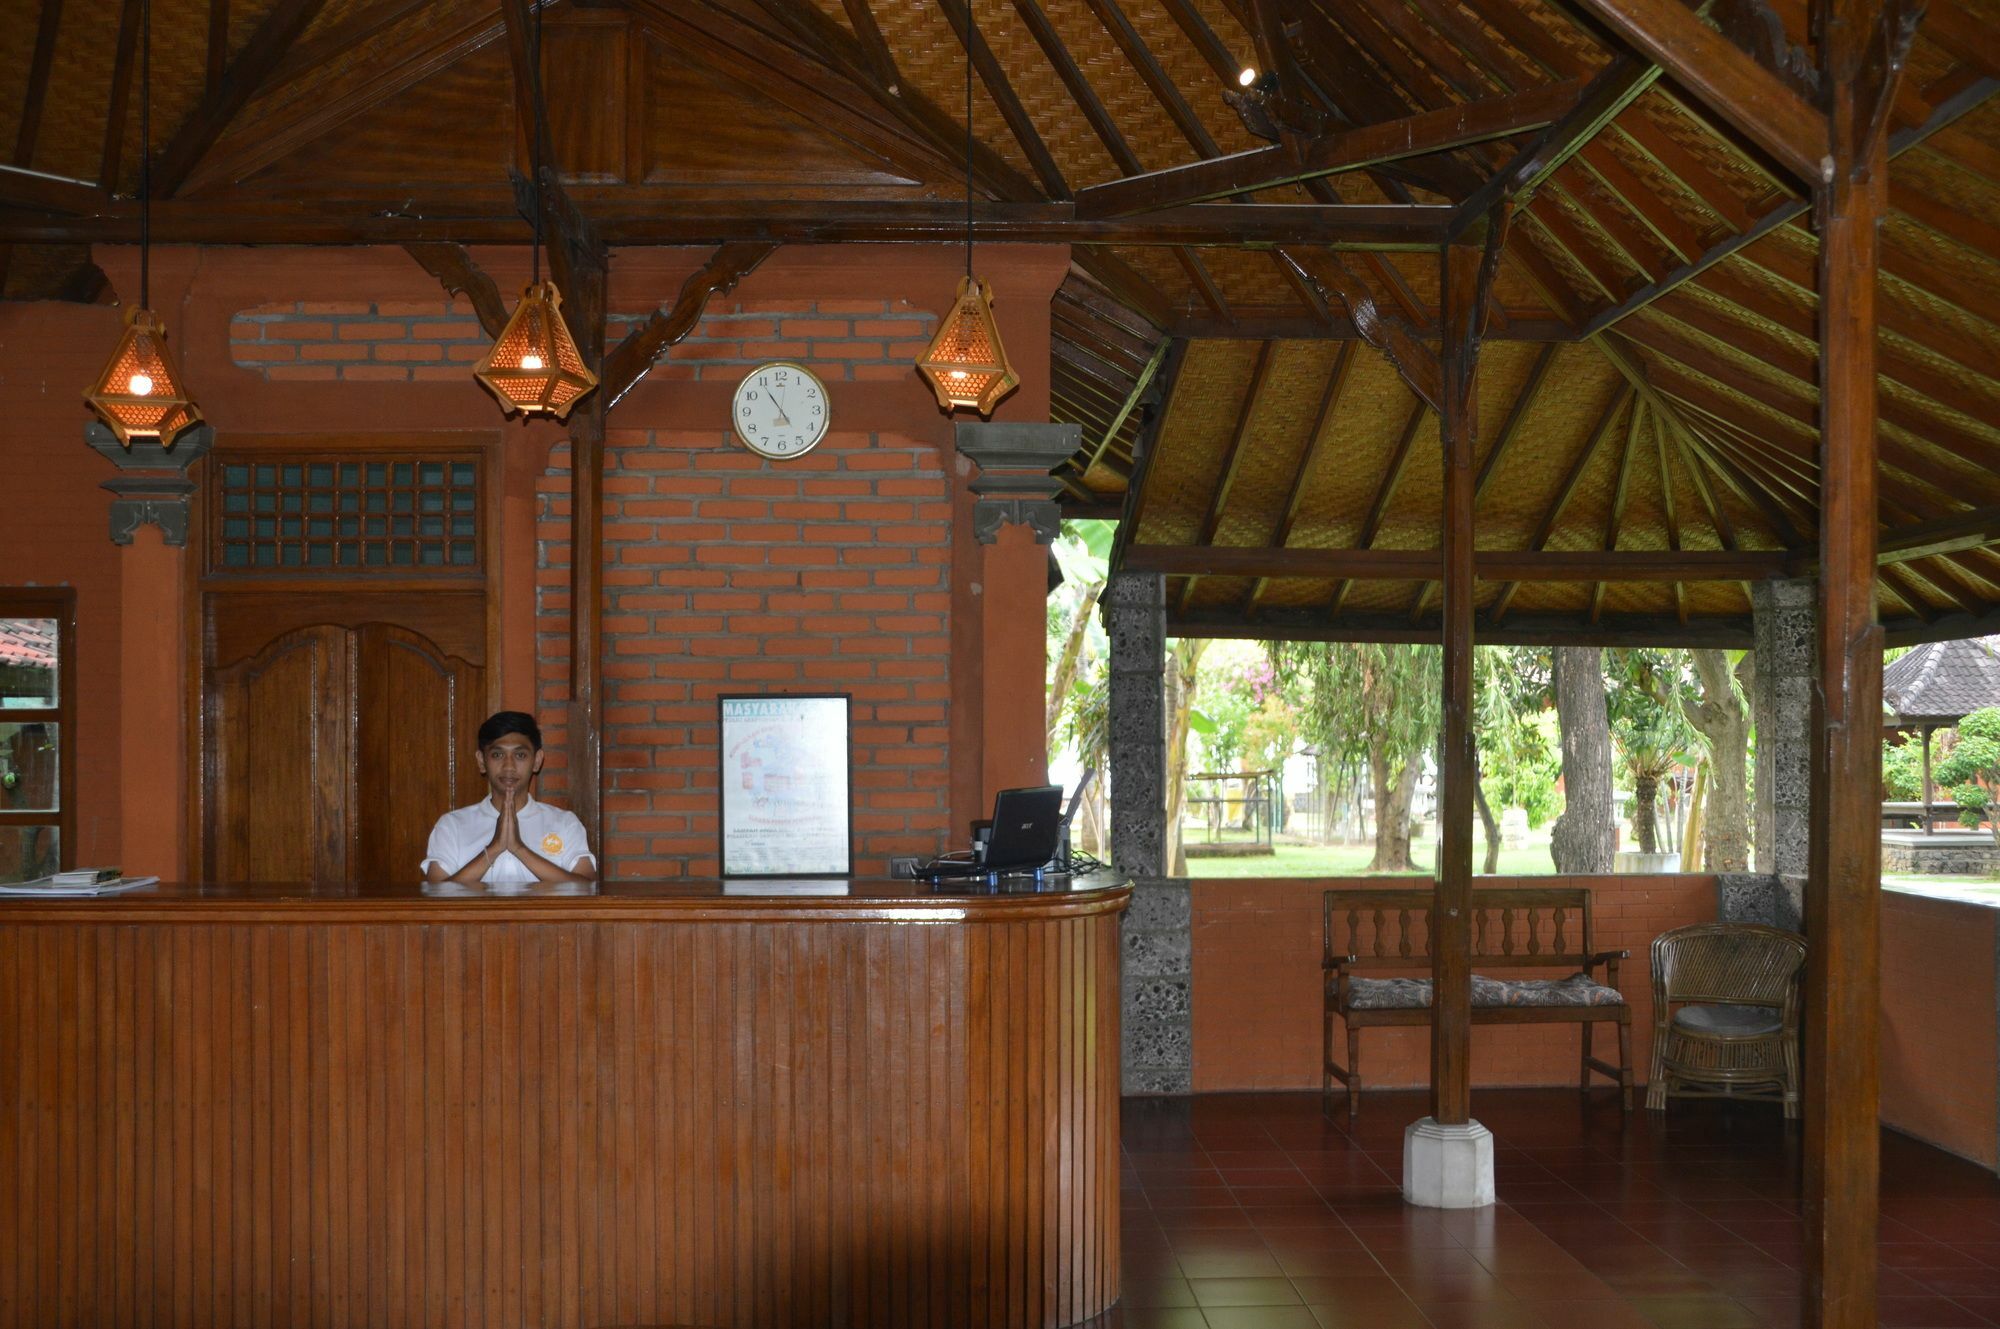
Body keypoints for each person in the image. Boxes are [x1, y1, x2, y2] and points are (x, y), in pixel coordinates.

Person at [422, 711, 597, 887]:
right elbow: (436, 892)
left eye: (520, 755)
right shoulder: (453, 825)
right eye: (498, 755)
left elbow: (587, 887)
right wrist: (494, 848)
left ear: (537, 761)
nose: (509, 766)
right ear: (482, 761)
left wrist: (518, 848)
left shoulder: (564, 822)